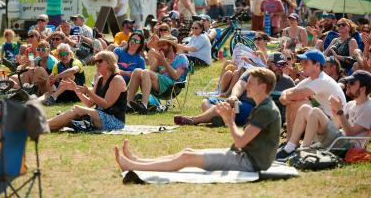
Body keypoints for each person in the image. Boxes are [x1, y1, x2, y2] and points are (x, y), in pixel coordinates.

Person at [116, 67, 281, 173]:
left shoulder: (266, 110)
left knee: (186, 158)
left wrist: (229, 121)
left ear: (262, 87)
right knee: (186, 152)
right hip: (244, 156)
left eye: (251, 83)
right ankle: (138, 161)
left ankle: (133, 167)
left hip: (249, 162)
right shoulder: (263, 106)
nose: (247, 86)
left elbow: (239, 142)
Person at [175, 52, 294, 127]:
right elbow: (240, 85)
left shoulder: (288, 82)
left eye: (283, 65)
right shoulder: (256, 72)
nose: (281, 68)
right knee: (206, 102)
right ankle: (222, 119)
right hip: (238, 103)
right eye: (278, 65)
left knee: (223, 106)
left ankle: (194, 120)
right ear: (268, 63)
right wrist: (234, 96)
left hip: (252, 109)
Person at [277, 70, 371, 159]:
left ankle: (304, 150)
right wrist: (334, 111)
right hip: (339, 139)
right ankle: (290, 147)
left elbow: (350, 134)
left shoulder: (368, 108)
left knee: (316, 111)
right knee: (305, 109)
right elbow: (337, 125)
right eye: (348, 82)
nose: (348, 85)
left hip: (349, 148)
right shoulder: (351, 104)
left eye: (352, 83)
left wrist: (339, 111)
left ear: (362, 89)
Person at [48, 51, 127, 132]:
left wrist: (89, 92)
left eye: (100, 61)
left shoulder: (117, 79)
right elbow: (89, 103)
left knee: (77, 109)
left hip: (115, 121)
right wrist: (75, 89)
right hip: (99, 116)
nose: (97, 63)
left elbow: (106, 105)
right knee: (69, 118)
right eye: (95, 61)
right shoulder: (100, 79)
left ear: (109, 63)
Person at [279, 49, 346, 142]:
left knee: (300, 102)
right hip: (323, 119)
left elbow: (293, 95)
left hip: (334, 127)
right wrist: (286, 96)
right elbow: (287, 94)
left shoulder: (323, 80)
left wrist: (287, 97)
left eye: (306, 62)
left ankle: (291, 142)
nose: (302, 65)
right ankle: (289, 141)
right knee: (295, 102)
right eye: (302, 62)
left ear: (317, 65)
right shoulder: (312, 79)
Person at [127, 35, 188, 114]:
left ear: (171, 46)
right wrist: (158, 61)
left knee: (145, 72)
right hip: (158, 85)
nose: (161, 48)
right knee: (137, 71)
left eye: (163, 45)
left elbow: (176, 76)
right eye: (159, 46)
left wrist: (164, 62)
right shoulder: (161, 57)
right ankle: (128, 104)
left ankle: (144, 105)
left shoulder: (181, 57)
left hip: (172, 86)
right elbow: (148, 73)